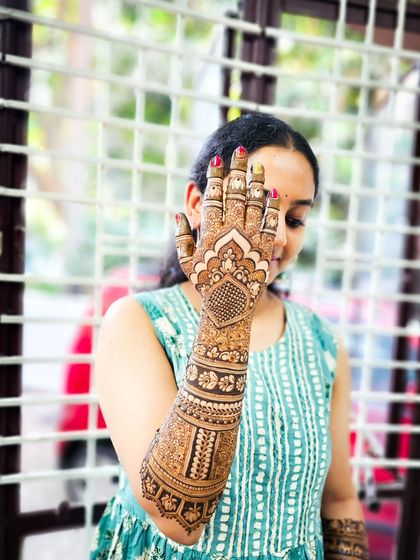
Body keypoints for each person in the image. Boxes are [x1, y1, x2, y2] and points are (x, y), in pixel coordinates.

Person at [90, 112, 369, 559]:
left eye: (296, 219)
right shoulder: (138, 323)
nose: (276, 234)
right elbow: (180, 519)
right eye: (257, 208)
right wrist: (227, 316)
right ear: (199, 204)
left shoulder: (322, 343)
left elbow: (338, 500)